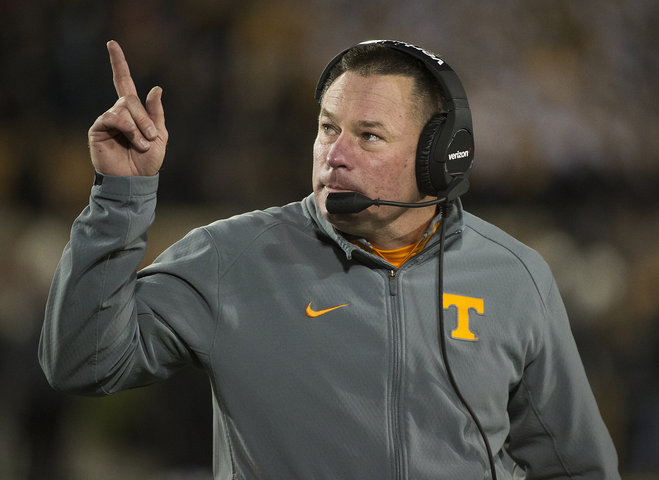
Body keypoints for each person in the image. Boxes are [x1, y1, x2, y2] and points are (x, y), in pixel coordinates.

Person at [39, 39, 620, 479]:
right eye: (327, 128)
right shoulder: (231, 256)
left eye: (368, 136)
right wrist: (120, 198)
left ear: (440, 158)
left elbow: (575, 467)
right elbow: (83, 363)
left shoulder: (514, 276)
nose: (335, 155)